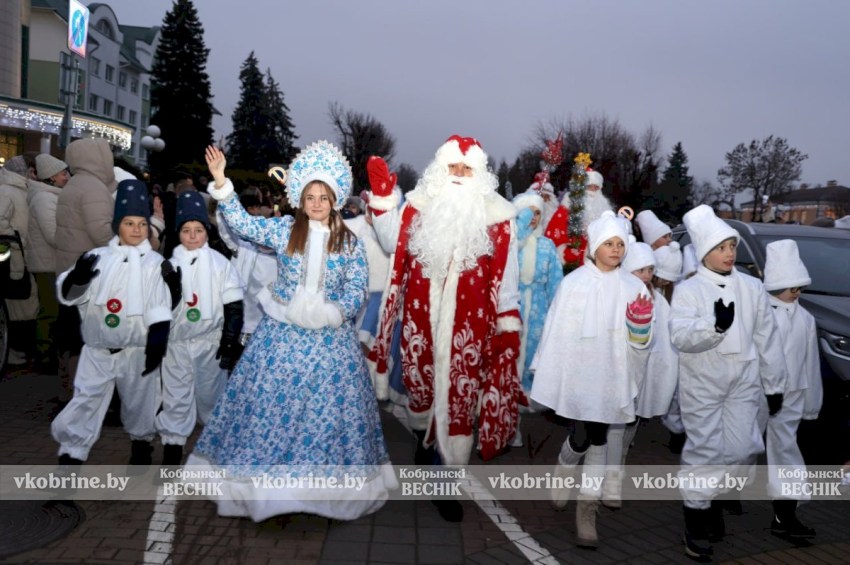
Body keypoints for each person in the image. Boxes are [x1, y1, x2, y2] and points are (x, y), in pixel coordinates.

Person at [186, 142, 396, 522]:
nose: (316, 203)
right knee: (271, 413)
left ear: (334, 199)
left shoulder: (348, 241)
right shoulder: (285, 230)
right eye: (310, 196)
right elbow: (244, 224)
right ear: (300, 198)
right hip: (280, 339)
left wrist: (334, 313)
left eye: (323, 197)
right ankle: (267, 491)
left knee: (325, 419)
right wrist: (222, 184)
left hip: (331, 345)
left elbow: (356, 289)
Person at [365, 135, 522, 521]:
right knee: (421, 389)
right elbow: (391, 243)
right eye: (453, 167)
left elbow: (508, 276)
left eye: (467, 169)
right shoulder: (419, 206)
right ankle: (424, 439)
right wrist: (384, 203)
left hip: (470, 327)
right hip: (420, 321)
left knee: (458, 399)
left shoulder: (499, 217)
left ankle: (444, 480)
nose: (458, 174)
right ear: (440, 169)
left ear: (479, 175)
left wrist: (507, 323)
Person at [670, 204, 788, 561]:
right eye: (721, 248)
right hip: (702, 382)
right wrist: (715, 327)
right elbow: (680, 337)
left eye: (732, 247)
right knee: (704, 451)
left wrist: (775, 385)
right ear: (705, 251)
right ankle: (696, 519)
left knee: (742, 450)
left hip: (743, 381)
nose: (728, 254)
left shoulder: (752, 287)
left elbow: (767, 339)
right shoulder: (688, 291)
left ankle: (715, 499)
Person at [531, 211, 653, 548]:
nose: (616, 250)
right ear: (594, 246)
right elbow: (557, 329)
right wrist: (552, 368)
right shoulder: (574, 284)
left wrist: (641, 330)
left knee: (599, 437)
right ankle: (565, 465)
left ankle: (587, 509)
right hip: (581, 372)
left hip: (613, 374)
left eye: (620, 244)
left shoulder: (633, 285)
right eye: (609, 244)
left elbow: (643, 337)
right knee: (583, 435)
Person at [51, 179, 173, 469]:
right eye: (129, 223)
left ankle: (141, 446)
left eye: (142, 224)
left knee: (140, 402)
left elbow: (160, 302)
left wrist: (158, 337)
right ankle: (70, 460)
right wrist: (76, 280)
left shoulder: (155, 264)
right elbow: (70, 297)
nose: (136, 230)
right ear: (117, 225)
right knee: (86, 403)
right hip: (98, 351)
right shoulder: (96, 259)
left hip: (137, 351)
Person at [156, 191, 244, 467]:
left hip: (210, 345)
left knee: (211, 398)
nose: (193, 236)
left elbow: (233, 305)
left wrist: (229, 341)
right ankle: (171, 453)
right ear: (178, 232)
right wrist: (171, 291)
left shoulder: (220, 264)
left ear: (206, 231)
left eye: (198, 230)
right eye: (186, 230)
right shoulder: (168, 265)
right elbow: (158, 310)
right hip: (177, 345)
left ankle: (215, 453)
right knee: (175, 398)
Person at [762, 239, 822, 540]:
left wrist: (811, 402)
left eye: (799, 287)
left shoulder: (805, 318)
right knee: (741, 449)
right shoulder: (763, 314)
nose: (796, 293)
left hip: (791, 396)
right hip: (759, 396)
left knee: (786, 454)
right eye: (790, 287)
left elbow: (810, 361)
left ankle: (785, 514)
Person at [53, 138, 117, 396]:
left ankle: (69, 384)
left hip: (70, 269)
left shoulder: (75, 184)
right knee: (84, 336)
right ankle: (82, 392)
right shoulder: (93, 188)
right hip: (88, 274)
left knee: (70, 332)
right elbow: (101, 232)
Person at [510, 190, 562, 447]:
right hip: (512, 308)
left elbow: (556, 283)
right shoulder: (509, 243)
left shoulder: (548, 245)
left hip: (538, 313)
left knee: (530, 363)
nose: (532, 217)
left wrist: (558, 314)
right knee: (508, 364)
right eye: (527, 211)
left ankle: (524, 411)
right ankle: (508, 426)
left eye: (537, 212)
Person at [26, 155, 70, 374]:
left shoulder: (50, 196)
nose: (67, 177)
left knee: (51, 310)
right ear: (52, 176)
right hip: (46, 263)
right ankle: (43, 356)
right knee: (49, 311)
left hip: (50, 261)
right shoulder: (45, 199)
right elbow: (53, 235)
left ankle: (47, 354)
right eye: (63, 173)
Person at [0, 156, 38, 366]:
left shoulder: (17, 188)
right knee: (13, 300)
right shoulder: (8, 190)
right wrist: (15, 237)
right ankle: (9, 350)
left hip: (17, 252)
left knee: (17, 301)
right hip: (11, 252)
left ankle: (12, 349)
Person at [544, 168, 614, 267]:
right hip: (570, 262)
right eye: (589, 187)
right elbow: (553, 234)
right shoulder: (567, 208)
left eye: (596, 187)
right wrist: (563, 253)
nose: (593, 191)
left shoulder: (605, 211)